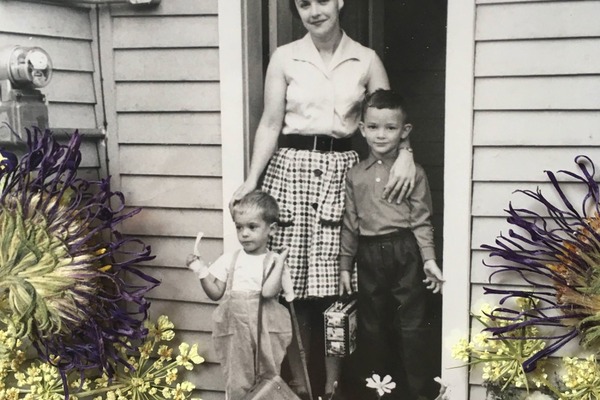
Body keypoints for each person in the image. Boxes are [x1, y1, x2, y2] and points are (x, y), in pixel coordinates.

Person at [229, 1, 416, 398]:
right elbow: (270, 122)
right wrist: (251, 179)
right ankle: (296, 384)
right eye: (303, 3)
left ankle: (333, 385)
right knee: (289, 283)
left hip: (342, 170)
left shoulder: (365, 60)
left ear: (339, 3)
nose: (314, 11)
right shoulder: (285, 57)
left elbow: (389, 114)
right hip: (291, 169)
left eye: (322, 1)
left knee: (336, 286)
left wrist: (407, 156)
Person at [339, 89, 444, 400]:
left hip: (405, 250)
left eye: (390, 127)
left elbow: (422, 220)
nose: (380, 135)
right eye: (373, 127)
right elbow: (350, 223)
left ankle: (418, 393)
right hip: (368, 254)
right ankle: (378, 393)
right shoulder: (355, 174)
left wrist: (428, 259)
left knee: (410, 324)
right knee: (372, 325)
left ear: (404, 131)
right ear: (362, 129)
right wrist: (346, 265)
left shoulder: (414, 173)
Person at [187, 190, 295, 400]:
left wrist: (280, 262)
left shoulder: (274, 261)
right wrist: (201, 271)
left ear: (271, 230)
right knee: (237, 379)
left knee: (268, 377)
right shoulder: (230, 259)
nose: (244, 233)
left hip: (266, 329)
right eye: (239, 227)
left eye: (252, 227)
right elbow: (215, 293)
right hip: (236, 331)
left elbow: (268, 292)